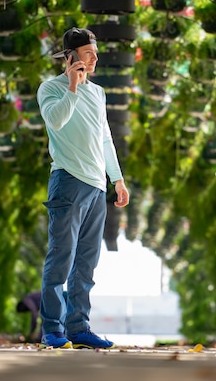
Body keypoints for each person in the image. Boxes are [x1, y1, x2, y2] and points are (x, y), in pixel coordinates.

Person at [36, 27, 130, 349]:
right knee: (61, 257)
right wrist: (72, 88)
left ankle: (79, 328)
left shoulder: (99, 93)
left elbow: (105, 138)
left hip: (95, 186)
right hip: (66, 181)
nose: (95, 58)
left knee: (86, 264)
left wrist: (117, 179)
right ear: (70, 56)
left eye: (95, 52)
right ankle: (52, 330)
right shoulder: (50, 88)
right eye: (89, 53)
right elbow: (56, 121)